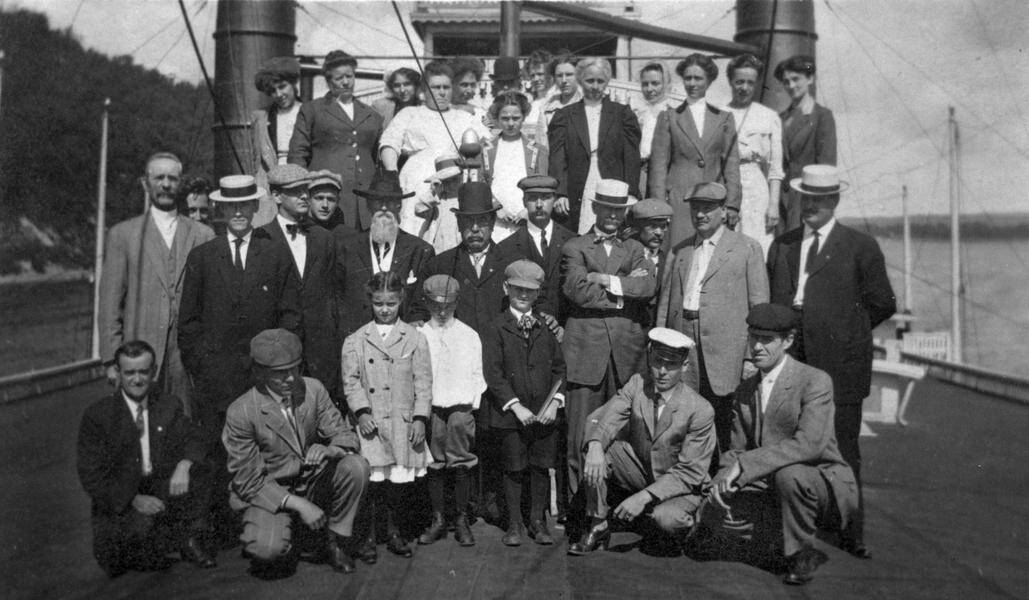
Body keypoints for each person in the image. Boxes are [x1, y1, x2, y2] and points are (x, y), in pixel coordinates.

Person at [766, 165, 895, 558]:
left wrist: (846, 331)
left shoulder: (860, 246)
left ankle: (850, 531)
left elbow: (882, 304)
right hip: (793, 359)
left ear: (835, 201)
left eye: (819, 200)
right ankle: (786, 531)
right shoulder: (784, 245)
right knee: (785, 442)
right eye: (806, 198)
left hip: (841, 363)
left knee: (843, 449)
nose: (810, 206)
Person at [178, 174, 301, 539]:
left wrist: (276, 368)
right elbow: (189, 323)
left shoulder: (275, 253)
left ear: (254, 207)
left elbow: (290, 315)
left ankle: (268, 525)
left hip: (263, 380)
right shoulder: (202, 257)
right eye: (230, 206)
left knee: (268, 454)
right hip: (217, 380)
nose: (238, 213)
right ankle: (209, 533)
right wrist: (203, 367)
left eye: (244, 205)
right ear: (221, 210)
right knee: (214, 454)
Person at [710, 303, 859, 585]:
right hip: (769, 479)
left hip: (820, 479)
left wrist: (746, 465)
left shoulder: (814, 381)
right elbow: (736, 450)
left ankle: (802, 553)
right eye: (753, 337)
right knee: (719, 524)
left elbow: (809, 445)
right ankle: (773, 536)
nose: (756, 347)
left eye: (767, 340)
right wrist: (718, 484)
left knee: (789, 475)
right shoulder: (745, 390)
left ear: (788, 341)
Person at [222, 329, 370, 575]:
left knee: (356, 466)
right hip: (270, 491)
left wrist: (330, 449)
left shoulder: (312, 389)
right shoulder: (241, 412)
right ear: (260, 373)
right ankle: (293, 535)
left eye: (295, 369)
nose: (290, 379)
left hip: (310, 482)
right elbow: (247, 482)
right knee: (268, 550)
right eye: (279, 374)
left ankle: (335, 540)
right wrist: (301, 505)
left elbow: (346, 436)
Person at [410, 182, 515, 524]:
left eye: (482, 222)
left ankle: (492, 499)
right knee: (453, 436)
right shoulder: (441, 264)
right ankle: (458, 510)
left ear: (492, 223)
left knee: (493, 432)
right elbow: (417, 311)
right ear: (457, 224)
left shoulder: (509, 262)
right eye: (468, 222)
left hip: (497, 365)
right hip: (453, 370)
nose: (474, 229)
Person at [568, 328, 715, 556]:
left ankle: (694, 526)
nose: (662, 372)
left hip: (682, 486)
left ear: (685, 366)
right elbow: (605, 417)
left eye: (672, 365)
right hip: (643, 471)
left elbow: (690, 473)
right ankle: (598, 525)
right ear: (649, 357)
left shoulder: (700, 409)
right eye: (657, 362)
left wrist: (643, 497)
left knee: (666, 520)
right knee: (595, 446)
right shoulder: (638, 384)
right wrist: (596, 444)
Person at [77, 340, 216, 577]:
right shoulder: (98, 416)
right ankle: (153, 538)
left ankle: (189, 537)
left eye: (143, 371)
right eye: (130, 372)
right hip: (124, 498)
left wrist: (184, 464)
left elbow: (194, 437)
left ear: (153, 372)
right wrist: (133, 499)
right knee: (141, 547)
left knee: (202, 467)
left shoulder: (168, 405)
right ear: (118, 373)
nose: (137, 379)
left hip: (159, 486)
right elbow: (92, 476)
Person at [560, 179, 656, 525]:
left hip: (627, 357)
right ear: (596, 208)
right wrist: (622, 296)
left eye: (620, 209)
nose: (614, 215)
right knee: (580, 437)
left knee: (624, 435)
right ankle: (582, 515)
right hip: (585, 354)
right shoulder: (575, 246)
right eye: (608, 208)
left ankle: (618, 512)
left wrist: (607, 281)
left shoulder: (634, 248)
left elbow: (647, 285)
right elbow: (577, 291)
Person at [98, 152, 214, 418]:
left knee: (185, 427)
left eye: (172, 178)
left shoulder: (203, 235)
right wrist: (110, 360)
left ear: (180, 183)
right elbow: (109, 305)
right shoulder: (123, 235)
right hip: (138, 359)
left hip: (186, 362)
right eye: (158, 177)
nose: (165, 184)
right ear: (145, 183)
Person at [656, 182, 769, 450]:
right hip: (684, 347)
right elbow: (664, 305)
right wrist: (660, 346)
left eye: (708, 208)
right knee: (684, 420)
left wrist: (750, 356)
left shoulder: (747, 248)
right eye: (696, 208)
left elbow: (759, 308)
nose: (700, 215)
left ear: (722, 210)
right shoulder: (679, 251)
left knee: (725, 426)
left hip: (726, 355)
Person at [342, 272, 433, 560]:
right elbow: (351, 380)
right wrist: (361, 412)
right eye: (379, 303)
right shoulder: (356, 339)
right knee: (373, 484)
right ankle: (369, 536)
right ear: (371, 301)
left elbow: (423, 382)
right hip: (372, 423)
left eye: (391, 303)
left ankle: (393, 532)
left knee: (397, 484)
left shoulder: (415, 338)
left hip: (401, 422)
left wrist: (420, 417)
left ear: (400, 301)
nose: (385, 309)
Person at [482, 260, 566, 547]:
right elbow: (493, 374)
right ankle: (514, 523)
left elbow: (559, 368)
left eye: (530, 292)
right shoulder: (496, 327)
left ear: (538, 293)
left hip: (543, 415)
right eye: (518, 289)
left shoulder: (546, 326)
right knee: (513, 466)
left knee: (541, 466)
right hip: (510, 416)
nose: (523, 296)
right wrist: (516, 406)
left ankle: (538, 521)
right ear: (506, 288)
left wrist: (555, 402)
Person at [260, 164, 343, 402]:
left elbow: (335, 296)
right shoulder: (262, 239)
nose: (305, 196)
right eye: (296, 191)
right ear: (276, 196)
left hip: (322, 353)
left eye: (306, 190)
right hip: (280, 355)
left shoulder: (324, 239)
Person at [379, 60, 490, 235]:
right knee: (415, 230)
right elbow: (389, 143)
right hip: (417, 180)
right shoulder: (410, 113)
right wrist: (392, 173)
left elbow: (488, 144)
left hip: (455, 184)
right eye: (436, 87)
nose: (442, 92)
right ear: (424, 90)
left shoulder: (464, 116)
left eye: (446, 87)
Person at [416, 275, 485, 547]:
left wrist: (467, 407)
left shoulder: (468, 335)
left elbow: (477, 374)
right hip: (431, 408)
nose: (442, 311)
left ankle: (461, 518)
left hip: (459, 409)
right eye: (435, 305)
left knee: (460, 462)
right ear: (426, 303)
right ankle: (438, 519)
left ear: (457, 303)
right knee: (434, 463)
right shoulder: (419, 334)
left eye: (448, 305)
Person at [650, 53, 742, 247]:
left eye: (698, 78)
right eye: (688, 78)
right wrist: (659, 207)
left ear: (708, 81)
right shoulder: (669, 117)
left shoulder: (724, 119)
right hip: (680, 204)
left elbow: (731, 166)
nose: (692, 83)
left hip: (714, 203)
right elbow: (658, 168)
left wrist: (732, 205)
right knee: (678, 255)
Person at [289, 50, 384, 232]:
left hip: (364, 202)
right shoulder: (312, 110)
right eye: (339, 78)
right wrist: (302, 193)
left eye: (350, 76)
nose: (346, 82)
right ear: (328, 80)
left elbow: (377, 157)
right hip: (326, 199)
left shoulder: (372, 115)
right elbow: (297, 155)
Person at [336, 169, 435, 342]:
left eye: (390, 202)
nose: (383, 208)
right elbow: (337, 299)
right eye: (377, 202)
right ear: (368, 205)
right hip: (357, 341)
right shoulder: (347, 248)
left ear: (399, 206)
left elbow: (423, 304)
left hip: (402, 343)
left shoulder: (420, 250)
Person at [548, 56, 641, 234]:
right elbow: (557, 158)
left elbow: (631, 159)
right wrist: (560, 193)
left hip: (613, 182)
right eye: (590, 81)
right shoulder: (565, 116)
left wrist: (631, 193)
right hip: (578, 185)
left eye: (600, 81)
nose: (595, 86)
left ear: (607, 82)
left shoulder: (622, 114)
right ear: (581, 81)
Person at [724, 54, 784, 255]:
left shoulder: (768, 116)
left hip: (757, 190)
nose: (744, 88)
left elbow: (775, 169)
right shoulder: (720, 113)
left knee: (758, 247)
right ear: (731, 81)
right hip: (727, 186)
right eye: (739, 81)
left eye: (750, 82)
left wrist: (773, 205)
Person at [497, 175, 575, 325]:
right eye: (533, 198)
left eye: (545, 197)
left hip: (565, 330)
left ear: (554, 200)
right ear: (524, 202)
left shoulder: (572, 241)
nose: (539, 204)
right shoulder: (507, 247)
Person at [776, 55, 837, 233]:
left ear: (810, 79)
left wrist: (816, 206)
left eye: (796, 79)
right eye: (786, 81)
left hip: (807, 199)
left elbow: (826, 166)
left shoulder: (822, 117)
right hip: (780, 201)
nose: (791, 86)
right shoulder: (779, 119)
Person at [484, 91, 549, 243]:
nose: (511, 123)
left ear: (524, 117)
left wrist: (529, 210)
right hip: (496, 218)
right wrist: (496, 208)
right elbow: (482, 182)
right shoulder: (486, 149)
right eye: (505, 118)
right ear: (497, 119)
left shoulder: (538, 150)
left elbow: (541, 184)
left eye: (516, 118)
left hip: (526, 218)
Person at [250, 56, 303, 227]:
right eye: (273, 91)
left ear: (293, 83)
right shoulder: (261, 117)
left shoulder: (310, 112)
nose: (278, 94)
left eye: (282, 87)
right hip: (270, 182)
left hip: (302, 179)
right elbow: (255, 159)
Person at [626, 198, 674, 328]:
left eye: (663, 226)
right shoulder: (624, 254)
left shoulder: (669, 258)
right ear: (638, 227)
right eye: (653, 226)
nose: (659, 233)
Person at [631, 62, 677, 197]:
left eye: (655, 83)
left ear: (666, 84)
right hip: (638, 173)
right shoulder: (635, 114)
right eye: (645, 84)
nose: (650, 89)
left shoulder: (675, 116)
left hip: (663, 176)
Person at [411, 153, 464, 253]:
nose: (452, 185)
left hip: (459, 246)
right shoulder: (436, 200)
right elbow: (419, 210)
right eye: (447, 182)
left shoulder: (467, 197)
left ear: (461, 177)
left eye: (455, 180)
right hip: (438, 248)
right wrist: (433, 191)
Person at [536, 53, 581, 145]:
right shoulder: (546, 109)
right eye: (559, 76)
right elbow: (542, 145)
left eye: (569, 75)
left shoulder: (589, 105)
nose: (564, 80)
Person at [522, 49, 553, 143]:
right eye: (532, 76)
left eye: (540, 74)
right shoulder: (530, 104)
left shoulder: (559, 100)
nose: (535, 79)